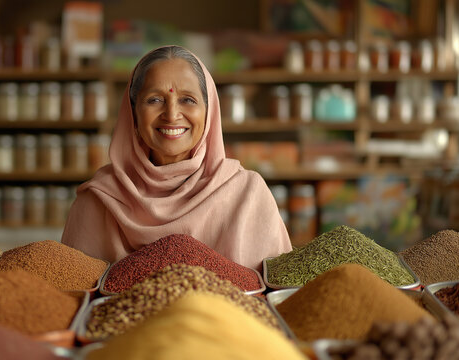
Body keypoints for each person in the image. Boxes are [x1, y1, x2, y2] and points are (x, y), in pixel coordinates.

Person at [61, 45, 291, 269]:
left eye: (187, 100)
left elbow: (273, 294)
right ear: (133, 113)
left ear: (209, 112)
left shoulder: (246, 194)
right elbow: (75, 292)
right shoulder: (100, 199)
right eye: (154, 100)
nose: (171, 114)